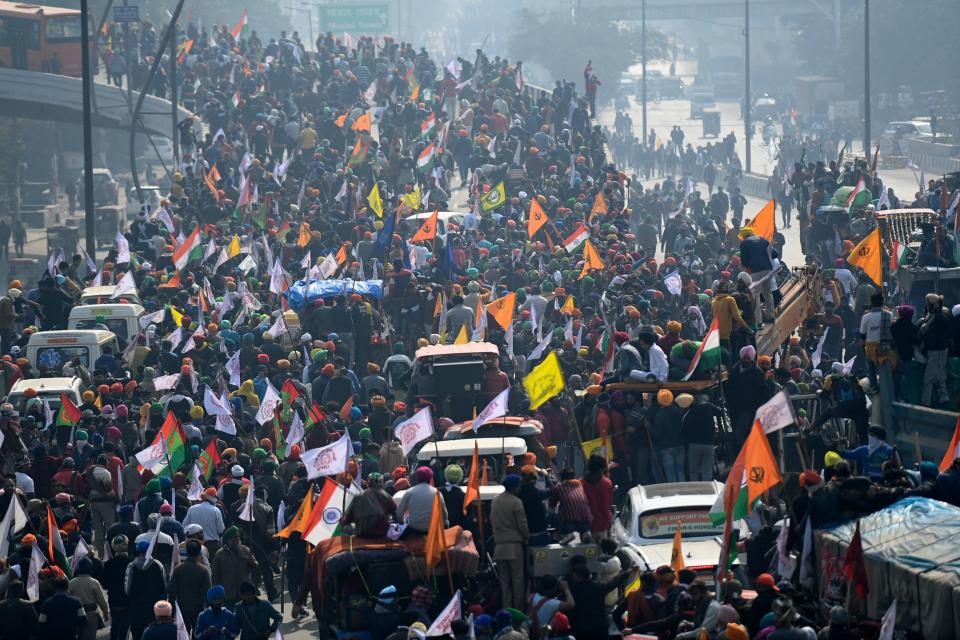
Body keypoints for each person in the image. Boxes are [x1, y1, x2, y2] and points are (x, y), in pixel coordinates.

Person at [491, 474, 529, 609]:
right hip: (514, 546)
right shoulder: (516, 502)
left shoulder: (495, 501)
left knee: (504, 582)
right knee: (518, 580)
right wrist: (526, 537)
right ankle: (517, 609)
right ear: (514, 487)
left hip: (499, 547)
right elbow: (522, 524)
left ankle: (506, 609)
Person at [212, 526, 258, 609]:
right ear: (228, 540)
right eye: (234, 537)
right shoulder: (220, 554)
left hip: (244, 595)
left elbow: (255, 566)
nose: (237, 539)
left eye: (238, 536)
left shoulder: (245, 550)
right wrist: (217, 594)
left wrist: (253, 563)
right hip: (227, 596)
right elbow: (215, 576)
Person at [68, 556, 110, 640]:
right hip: (91, 616)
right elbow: (101, 601)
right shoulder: (94, 582)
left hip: (75, 616)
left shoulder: (71, 583)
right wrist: (105, 613)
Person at [38, 576, 87, 640]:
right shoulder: (77, 602)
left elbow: (41, 623)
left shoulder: (46, 603)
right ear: (67, 587)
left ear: (55, 588)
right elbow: (83, 620)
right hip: (71, 636)